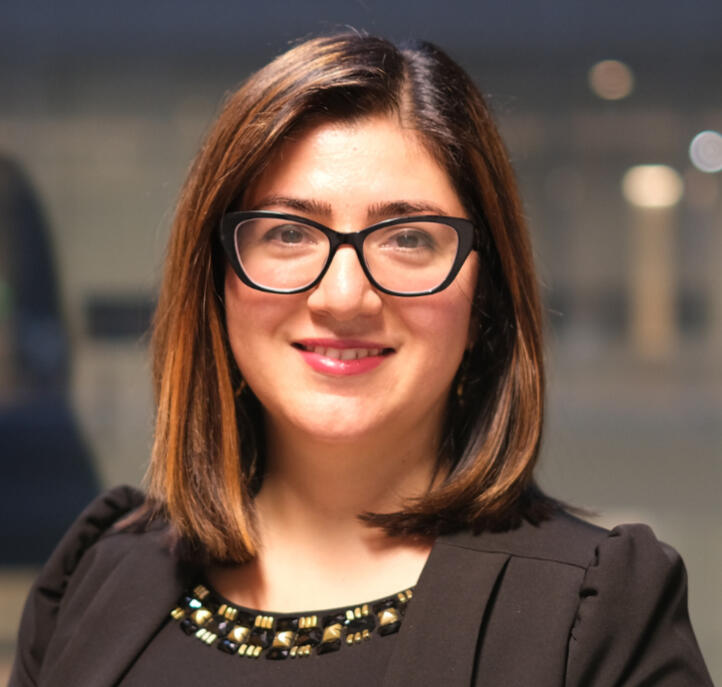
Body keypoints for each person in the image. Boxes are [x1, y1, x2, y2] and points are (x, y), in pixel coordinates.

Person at [10, 33, 713, 687]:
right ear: (217, 283)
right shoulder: (94, 579)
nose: (343, 296)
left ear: (484, 299)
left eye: (408, 238)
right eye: (288, 233)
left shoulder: (596, 612)